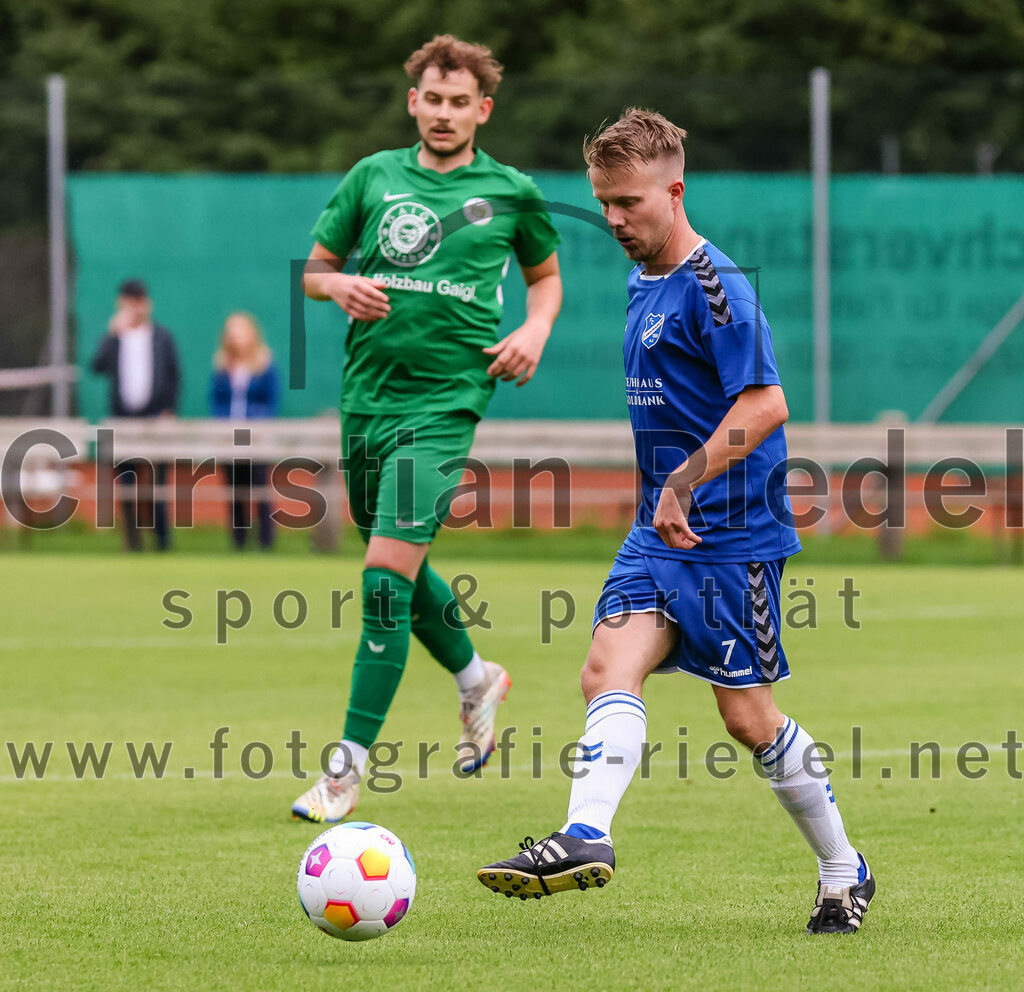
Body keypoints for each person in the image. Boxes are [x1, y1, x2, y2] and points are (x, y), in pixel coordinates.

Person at [477, 110, 874, 936]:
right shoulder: (641, 278)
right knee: (603, 666)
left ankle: (845, 869)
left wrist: (686, 479)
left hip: (733, 538)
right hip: (662, 533)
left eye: (628, 203)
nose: (614, 220)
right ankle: (586, 834)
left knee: (746, 719)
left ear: (675, 190)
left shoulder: (715, 284)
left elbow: (767, 403)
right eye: (604, 203)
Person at [292, 35, 563, 823]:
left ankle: (345, 770)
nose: (445, 114)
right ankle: (477, 677)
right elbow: (312, 270)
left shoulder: (512, 191)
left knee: (382, 578)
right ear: (414, 101)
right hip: (366, 398)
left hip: (448, 402)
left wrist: (534, 332)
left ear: (484, 109)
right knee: (397, 568)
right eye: (432, 100)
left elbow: (546, 283)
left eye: (460, 103)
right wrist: (337, 283)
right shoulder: (373, 176)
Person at [90, 278, 180, 551]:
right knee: (127, 485)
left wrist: (169, 411)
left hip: (154, 420)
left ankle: (162, 541)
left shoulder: (162, 337)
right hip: (122, 421)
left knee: (156, 484)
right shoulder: (116, 338)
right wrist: (112, 334)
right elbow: (97, 366)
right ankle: (133, 543)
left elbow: (175, 376)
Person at [209, 311, 280, 550]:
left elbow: (271, 401)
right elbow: (216, 400)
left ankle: (266, 541)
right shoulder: (222, 365)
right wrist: (224, 425)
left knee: (259, 486)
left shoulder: (265, 363)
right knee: (234, 488)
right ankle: (238, 540)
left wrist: (254, 423)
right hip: (229, 438)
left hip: (256, 437)